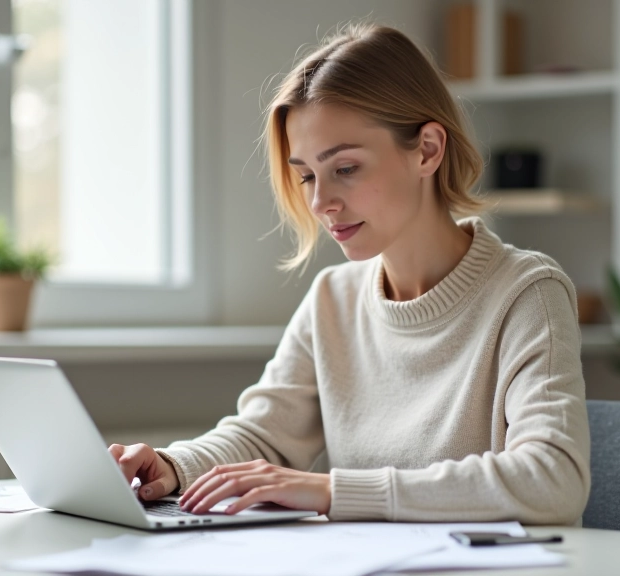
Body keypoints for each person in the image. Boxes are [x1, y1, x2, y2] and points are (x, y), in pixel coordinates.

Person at [108, 22, 590, 524]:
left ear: (427, 149)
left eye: (346, 168)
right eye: (307, 176)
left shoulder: (527, 292)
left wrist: (333, 491)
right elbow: (264, 436)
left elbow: (553, 479)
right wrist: (171, 465)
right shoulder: (333, 299)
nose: (320, 202)